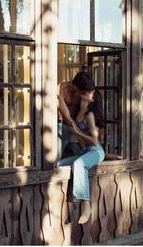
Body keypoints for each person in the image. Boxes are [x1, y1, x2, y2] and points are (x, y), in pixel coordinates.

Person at [58, 88, 105, 224]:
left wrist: (76, 132)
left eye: (90, 94)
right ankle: (68, 207)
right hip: (84, 151)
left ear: (93, 99)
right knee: (58, 165)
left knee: (79, 164)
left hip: (94, 151)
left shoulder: (89, 115)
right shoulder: (80, 112)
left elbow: (94, 141)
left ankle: (86, 205)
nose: (86, 93)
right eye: (86, 92)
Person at [57, 72, 95, 159]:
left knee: (82, 156)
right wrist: (78, 132)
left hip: (77, 126)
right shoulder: (61, 88)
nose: (83, 94)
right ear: (75, 86)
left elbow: (93, 104)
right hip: (62, 125)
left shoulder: (84, 91)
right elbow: (65, 115)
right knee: (56, 158)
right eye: (82, 92)